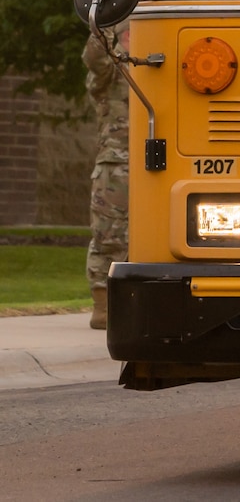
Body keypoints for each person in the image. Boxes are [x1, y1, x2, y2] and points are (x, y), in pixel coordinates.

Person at [82, 27, 129, 332]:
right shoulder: (110, 76)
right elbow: (95, 57)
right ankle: (104, 306)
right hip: (117, 167)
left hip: (161, 164)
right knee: (109, 235)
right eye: (127, 34)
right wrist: (105, 24)